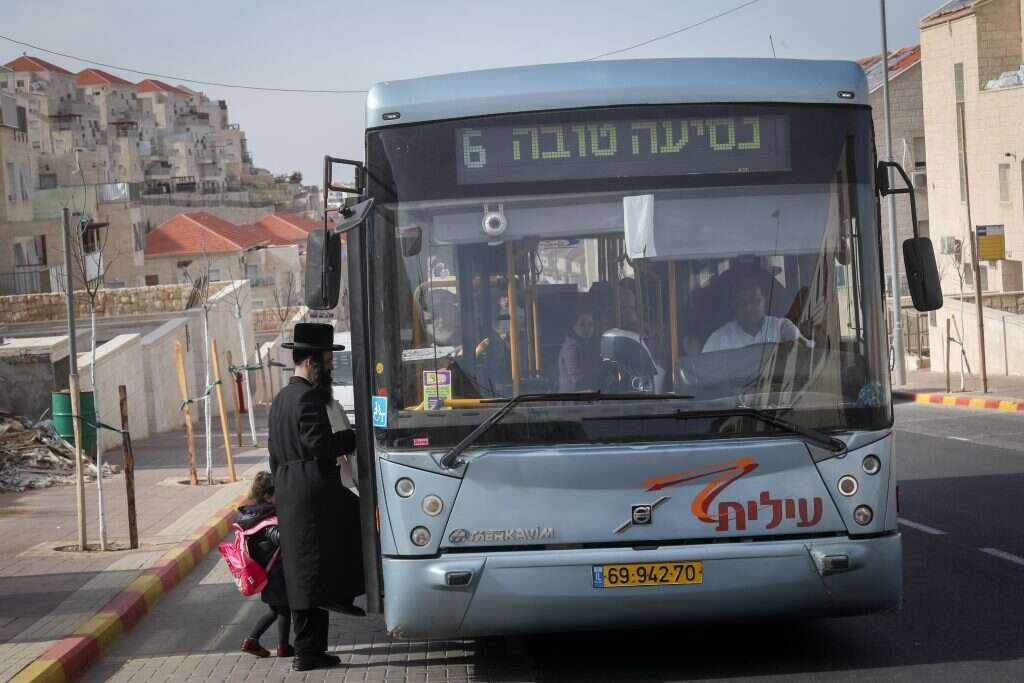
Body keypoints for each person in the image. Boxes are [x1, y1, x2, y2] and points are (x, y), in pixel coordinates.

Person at [269, 323, 365, 673]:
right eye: (326, 361)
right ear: (310, 362)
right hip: (311, 488)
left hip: (288, 487)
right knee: (351, 529)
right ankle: (345, 600)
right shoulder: (308, 397)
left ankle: (310, 650)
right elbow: (320, 446)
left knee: (305, 573)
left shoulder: (281, 399)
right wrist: (351, 437)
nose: (328, 368)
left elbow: (273, 455)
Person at [238, 472, 292, 659]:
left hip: (266, 571)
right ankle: (282, 647)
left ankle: (253, 641)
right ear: (268, 496)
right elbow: (279, 538)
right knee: (283, 609)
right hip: (276, 573)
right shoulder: (267, 520)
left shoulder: (253, 515)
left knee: (275, 610)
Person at [702, 274, 808, 353]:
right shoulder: (719, 339)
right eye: (742, 303)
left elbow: (806, 350)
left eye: (754, 301)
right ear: (733, 305)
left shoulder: (780, 327)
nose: (748, 308)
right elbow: (703, 369)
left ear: (764, 301)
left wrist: (795, 340)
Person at [558, 311, 600, 392]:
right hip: (573, 401)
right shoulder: (571, 347)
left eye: (591, 324)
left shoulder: (587, 345)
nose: (588, 328)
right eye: (583, 325)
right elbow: (577, 379)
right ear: (574, 327)